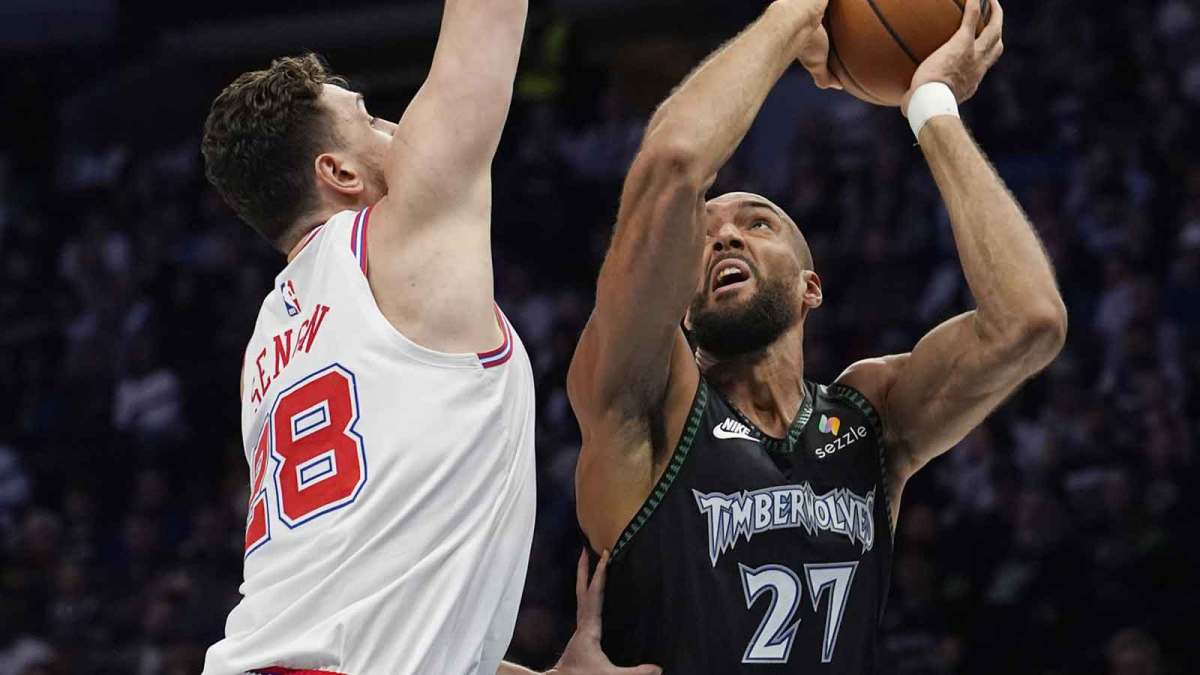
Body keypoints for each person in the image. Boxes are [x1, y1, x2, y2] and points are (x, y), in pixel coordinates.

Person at [567, 0, 1066, 672]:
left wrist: (932, 106)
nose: (725, 236)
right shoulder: (651, 409)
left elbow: (1028, 322)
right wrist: (797, 13)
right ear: (677, 304)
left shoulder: (867, 418)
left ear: (811, 287)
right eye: (703, 234)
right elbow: (674, 163)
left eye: (758, 223)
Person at [198, 2, 658, 673]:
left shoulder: (267, 347)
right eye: (371, 119)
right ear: (340, 173)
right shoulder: (404, 235)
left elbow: (364, 597)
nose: (395, 127)